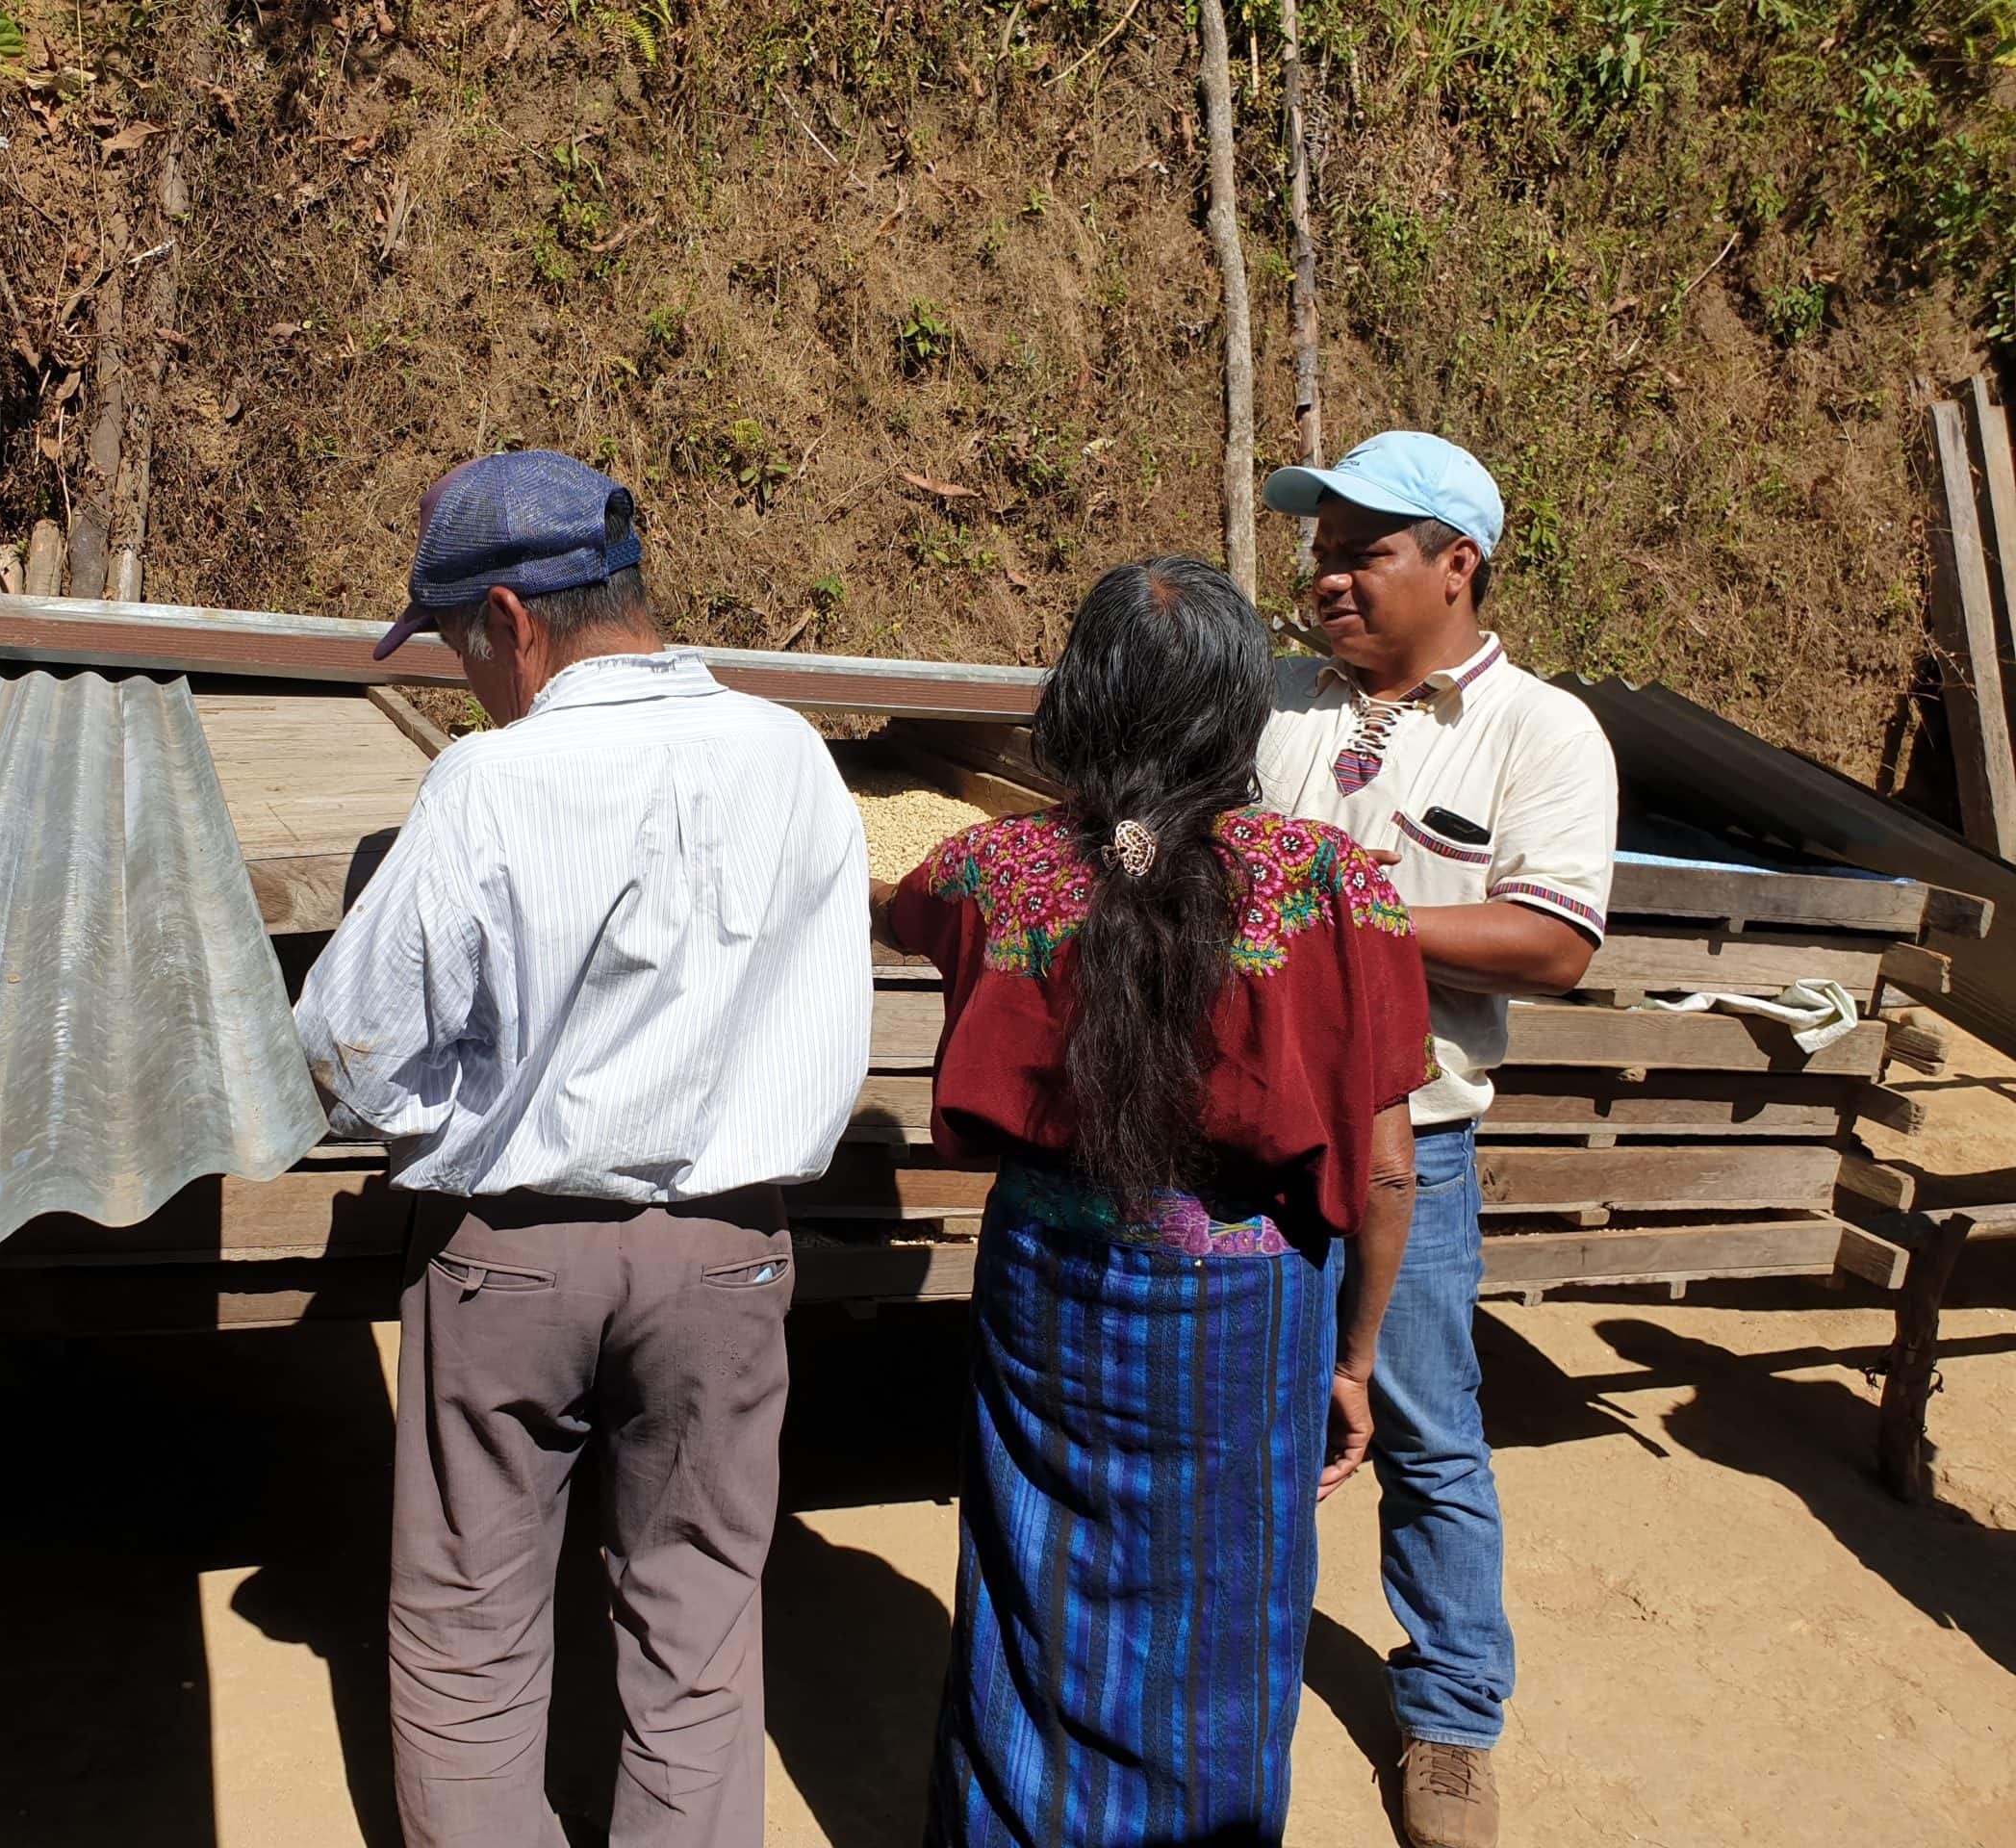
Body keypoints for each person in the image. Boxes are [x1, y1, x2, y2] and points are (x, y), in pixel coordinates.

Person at [293, 450, 873, 1847]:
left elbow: (351, 1046)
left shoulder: (491, 782)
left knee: (470, 1634)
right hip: (730, 1256)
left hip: (514, 1262)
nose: (465, 679)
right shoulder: (790, 755)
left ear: (514, 617)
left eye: (455, 647)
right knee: (695, 1624)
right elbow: (829, 1023)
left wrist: (454, 1117)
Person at [879, 556, 1431, 1847]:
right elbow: (1391, 1164)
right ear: (1241, 715)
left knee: (1035, 1588)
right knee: (1228, 1612)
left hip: (1047, 1289)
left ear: (1077, 700)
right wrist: (1356, 1360)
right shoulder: (1334, 884)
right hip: (1246, 1303)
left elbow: (912, 917)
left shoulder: (992, 872)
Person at [1257, 432, 1620, 1848]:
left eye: (1365, 550)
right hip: (1249, 1142)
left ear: (1457, 565)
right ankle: (1236, 1669)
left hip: (1420, 1154)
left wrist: (1346, 919)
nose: (1329, 576)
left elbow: (1553, 938)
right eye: (1322, 548)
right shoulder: (1280, 702)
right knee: (1256, 1419)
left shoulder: (1541, 730)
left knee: (1427, 1437)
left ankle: (1454, 1718)